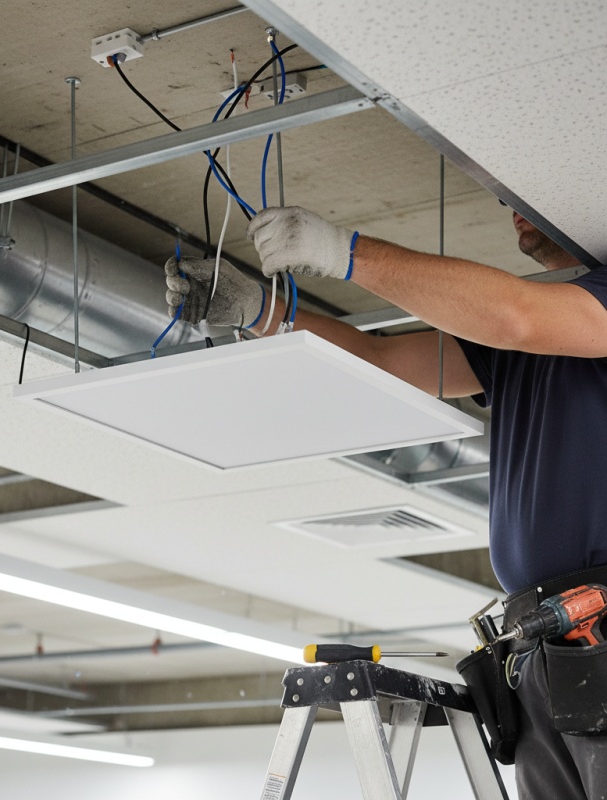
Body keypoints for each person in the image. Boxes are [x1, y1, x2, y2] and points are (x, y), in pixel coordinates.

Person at [165, 205, 607, 799]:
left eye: (523, 193)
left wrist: (344, 252)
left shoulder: (558, 315)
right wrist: (260, 312)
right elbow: (384, 361)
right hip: (544, 642)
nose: (510, 207)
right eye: (503, 199)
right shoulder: (518, 344)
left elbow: (515, 315)